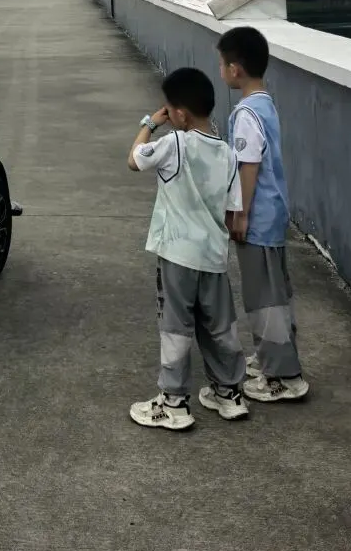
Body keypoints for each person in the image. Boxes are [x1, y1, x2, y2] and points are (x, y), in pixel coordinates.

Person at [127, 67, 247, 430]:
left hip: (178, 255)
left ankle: (174, 402)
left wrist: (151, 123)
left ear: (179, 114)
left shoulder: (175, 143)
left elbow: (134, 159)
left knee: (176, 327)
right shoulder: (227, 153)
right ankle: (229, 393)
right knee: (219, 326)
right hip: (213, 256)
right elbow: (232, 210)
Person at [218, 27, 309, 402]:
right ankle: (272, 358)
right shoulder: (264, 104)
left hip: (258, 218)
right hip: (271, 213)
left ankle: (283, 376)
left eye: (222, 64)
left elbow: (248, 166)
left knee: (265, 299)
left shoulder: (245, 113)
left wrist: (239, 214)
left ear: (235, 69)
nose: (221, 70)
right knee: (273, 293)